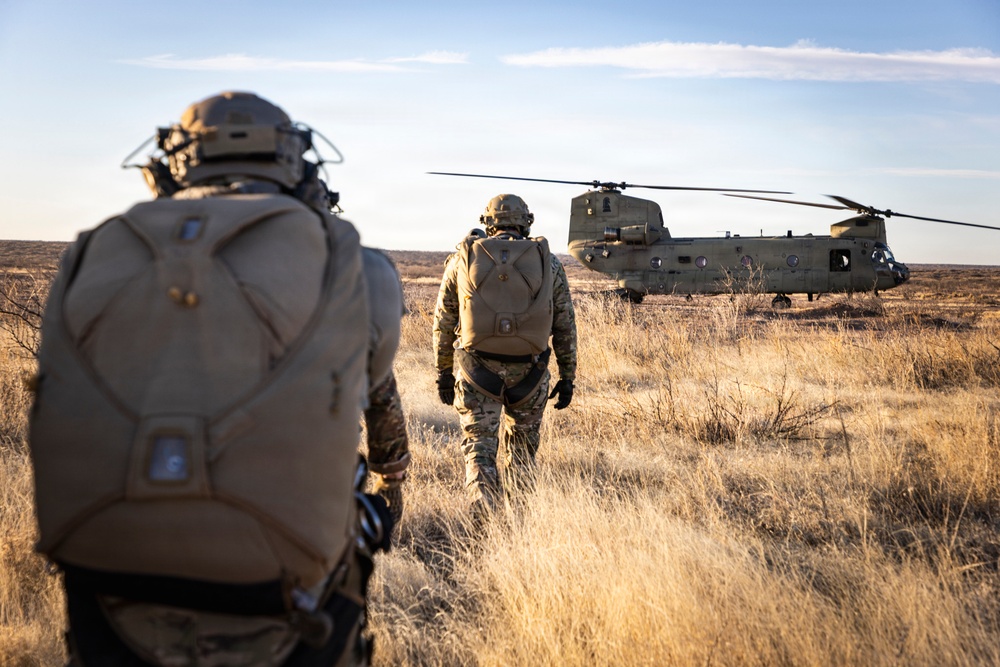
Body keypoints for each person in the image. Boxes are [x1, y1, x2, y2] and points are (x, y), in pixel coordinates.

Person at [31, 91, 409, 666]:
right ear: (297, 164)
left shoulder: (91, 253)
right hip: (291, 604)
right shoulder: (355, 263)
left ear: (169, 165)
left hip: (110, 595)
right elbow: (372, 387)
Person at [433, 194, 577, 519]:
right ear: (526, 222)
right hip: (530, 377)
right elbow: (565, 323)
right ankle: (518, 528)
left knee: (479, 451)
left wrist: (443, 372)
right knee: (523, 455)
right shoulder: (547, 261)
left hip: (476, 374)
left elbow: (443, 320)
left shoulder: (463, 258)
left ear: (488, 222)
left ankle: (483, 524)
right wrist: (568, 376)